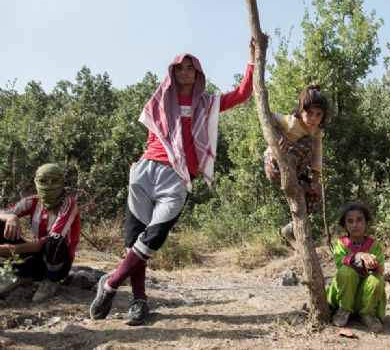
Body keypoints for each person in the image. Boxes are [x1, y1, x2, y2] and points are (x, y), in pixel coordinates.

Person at [89, 39, 257, 325]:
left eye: (191, 68)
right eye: (180, 67)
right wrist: (140, 166)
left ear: (198, 74)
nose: (185, 71)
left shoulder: (208, 104)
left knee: (153, 237)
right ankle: (139, 302)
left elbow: (243, 93)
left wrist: (252, 60)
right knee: (135, 242)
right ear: (172, 72)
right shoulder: (158, 100)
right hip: (146, 171)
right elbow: (155, 138)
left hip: (177, 179)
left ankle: (110, 283)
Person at [0, 163, 80, 303]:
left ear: (62, 182)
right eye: (43, 181)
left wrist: (13, 249)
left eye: (54, 181)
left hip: (59, 262)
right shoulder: (33, 201)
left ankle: (51, 281)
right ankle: (23, 275)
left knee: (54, 239)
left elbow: (53, 238)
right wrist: (10, 217)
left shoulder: (68, 203)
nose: (49, 186)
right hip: (36, 259)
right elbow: (3, 212)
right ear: (36, 182)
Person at [263, 84, 328, 245]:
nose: (313, 118)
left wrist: (315, 181)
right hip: (274, 164)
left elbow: (317, 156)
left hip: (294, 171)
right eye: (309, 113)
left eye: (318, 115)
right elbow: (266, 116)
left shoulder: (317, 132)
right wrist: (279, 136)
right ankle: (298, 179)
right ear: (301, 110)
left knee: (315, 193)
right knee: (307, 143)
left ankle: (291, 228)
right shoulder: (290, 122)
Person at [326, 203, 385, 333]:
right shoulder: (340, 244)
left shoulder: (374, 245)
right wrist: (358, 257)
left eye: (359, 220)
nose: (355, 225)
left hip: (364, 296)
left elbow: (381, 268)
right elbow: (339, 261)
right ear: (344, 225)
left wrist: (373, 266)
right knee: (347, 271)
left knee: (377, 279)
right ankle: (344, 310)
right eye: (350, 221)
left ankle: (367, 313)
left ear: (367, 222)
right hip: (345, 293)